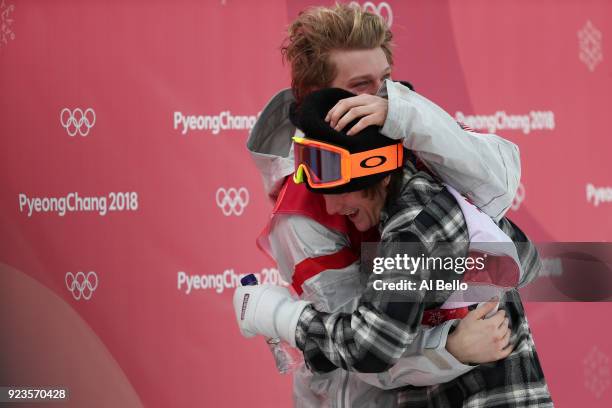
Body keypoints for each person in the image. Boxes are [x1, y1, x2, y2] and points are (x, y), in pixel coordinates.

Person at [243, 4, 535, 407]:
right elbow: (364, 348)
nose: (379, 98)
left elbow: (501, 193)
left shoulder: (405, 126)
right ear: (317, 100)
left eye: (385, 81)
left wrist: (406, 117)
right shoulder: (303, 212)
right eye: (360, 86)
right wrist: (450, 348)